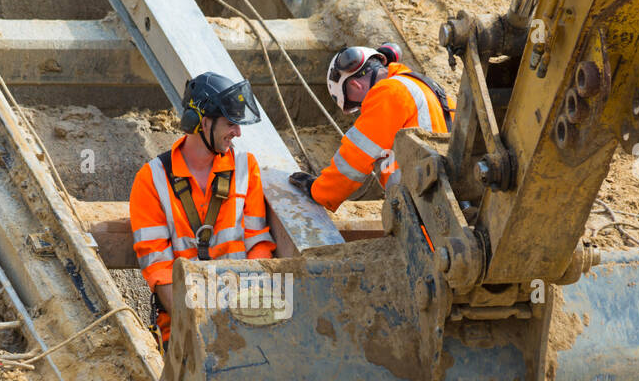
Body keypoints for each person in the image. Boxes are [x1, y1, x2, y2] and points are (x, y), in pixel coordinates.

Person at [129, 72, 277, 348]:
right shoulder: (151, 180)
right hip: (185, 330)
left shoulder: (246, 168)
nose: (238, 132)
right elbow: (160, 272)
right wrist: (201, 325)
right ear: (203, 122)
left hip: (244, 321)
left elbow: (259, 247)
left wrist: (244, 314)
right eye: (231, 123)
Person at [289, 44, 452, 211]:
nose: (363, 108)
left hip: (423, 208)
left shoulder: (388, 92)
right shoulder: (427, 88)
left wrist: (320, 192)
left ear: (355, 86)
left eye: (357, 104)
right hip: (445, 201)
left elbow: (355, 159)